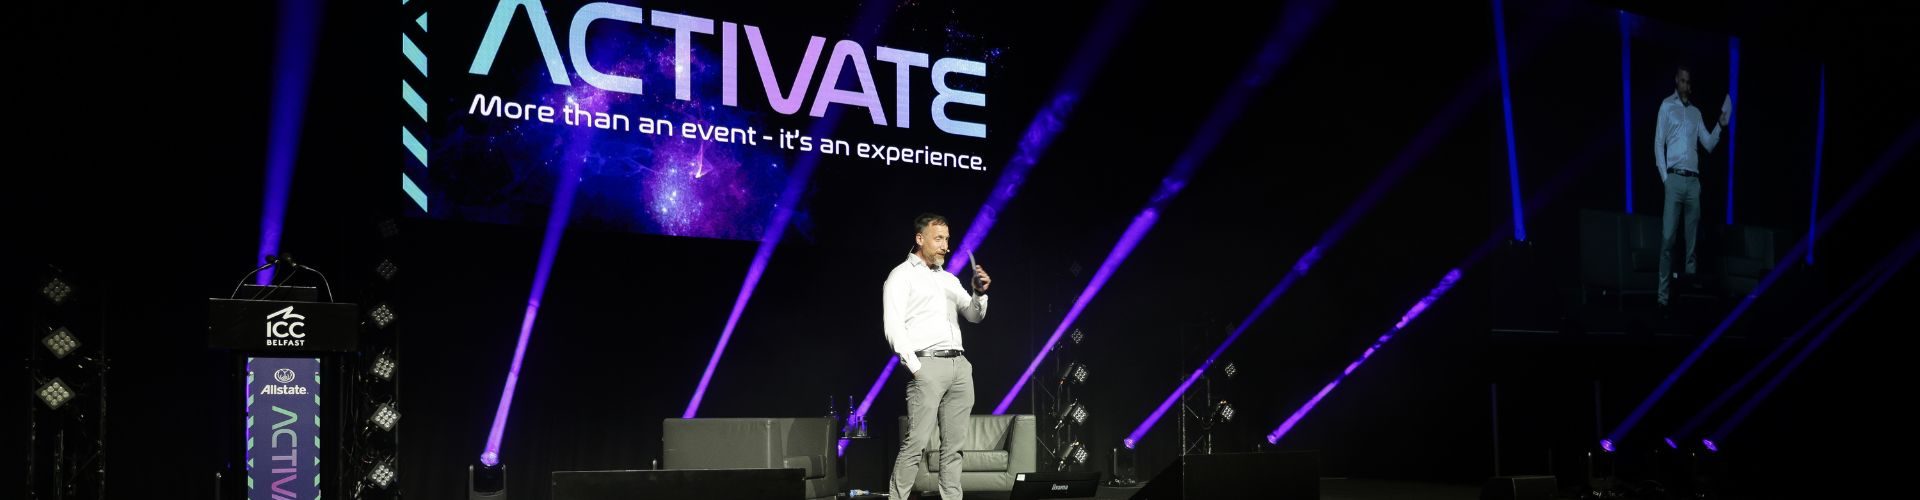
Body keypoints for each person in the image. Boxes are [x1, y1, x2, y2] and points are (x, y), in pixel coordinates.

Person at [883, 213, 991, 500]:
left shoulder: (949, 279)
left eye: (947, 239)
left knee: (954, 447)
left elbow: (974, 315)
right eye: (939, 239)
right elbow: (893, 327)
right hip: (927, 365)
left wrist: (979, 293)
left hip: (959, 366)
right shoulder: (901, 276)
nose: (946, 246)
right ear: (920, 239)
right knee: (915, 444)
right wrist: (917, 367)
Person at [1653, 65, 1728, 311]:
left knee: (1692, 243)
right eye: (1682, 80)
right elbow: (1658, 145)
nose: (1686, 85)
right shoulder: (1667, 106)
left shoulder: (1695, 113)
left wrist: (1720, 124)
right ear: (1676, 81)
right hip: (1674, 180)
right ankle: (1663, 299)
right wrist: (1666, 180)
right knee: (1667, 240)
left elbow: (1707, 144)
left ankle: (1689, 299)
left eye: (1688, 81)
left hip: (1694, 181)